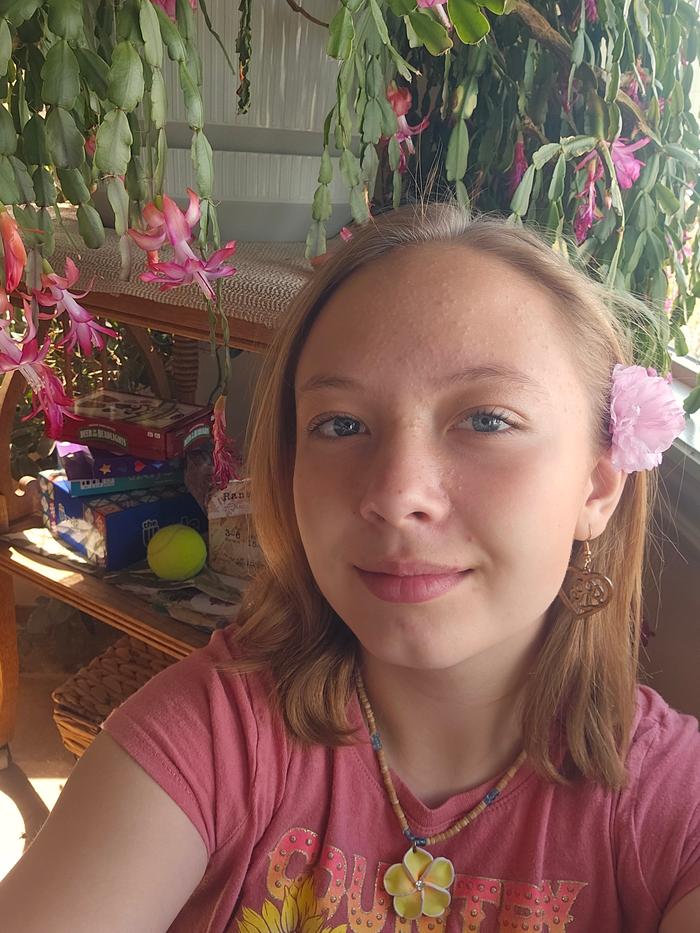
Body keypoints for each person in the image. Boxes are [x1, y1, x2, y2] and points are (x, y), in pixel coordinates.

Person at [1, 200, 698, 933]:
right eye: (341, 425)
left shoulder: (670, 808)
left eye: (486, 419)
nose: (397, 494)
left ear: (597, 486)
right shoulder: (211, 738)